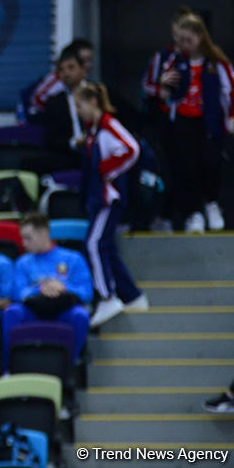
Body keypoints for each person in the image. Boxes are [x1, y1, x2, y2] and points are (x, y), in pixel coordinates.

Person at [142, 8, 231, 232]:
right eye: (179, 40)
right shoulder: (169, 60)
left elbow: (230, 91)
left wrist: (230, 116)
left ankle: (211, 205)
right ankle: (194, 214)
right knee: (186, 169)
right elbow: (150, 88)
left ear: (200, 37)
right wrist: (161, 87)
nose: (183, 45)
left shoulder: (216, 63)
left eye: (188, 40)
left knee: (211, 164)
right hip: (181, 121)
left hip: (209, 121)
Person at [74, 82, 148, 327]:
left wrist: (107, 172)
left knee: (93, 244)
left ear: (93, 102)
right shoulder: (94, 130)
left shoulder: (108, 125)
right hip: (98, 196)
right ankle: (132, 296)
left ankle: (107, 297)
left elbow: (132, 149)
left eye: (80, 105)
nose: (78, 111)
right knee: (106, 247)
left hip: (108, 197)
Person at [4, 212, 93, 363]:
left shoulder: (73, 258)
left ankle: (71, 364)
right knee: (12, 312)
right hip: (34, 309)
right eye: (22, 238)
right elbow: (17, 293)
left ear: (44, 234)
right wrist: (40, 289)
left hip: (63, 308)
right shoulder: (22, 263)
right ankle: (10, 366)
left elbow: (87, 293)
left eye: (28, 238)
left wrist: (63, 288)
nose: (23, 243)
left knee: (81, 316)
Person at [22, 39, 94, 125]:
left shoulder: (92, 89)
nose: (87, 65)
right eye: (84, 60)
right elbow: (37, 103)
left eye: (89, 60)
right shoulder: (56, 84)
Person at [41, 45, 90, 170]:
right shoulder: (54, 102)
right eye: (61, 70)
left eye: (71, 68)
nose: (66, 73)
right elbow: (52, 140)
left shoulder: (97, 94)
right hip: (68, 155)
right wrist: (74, 143)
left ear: (83, 70)